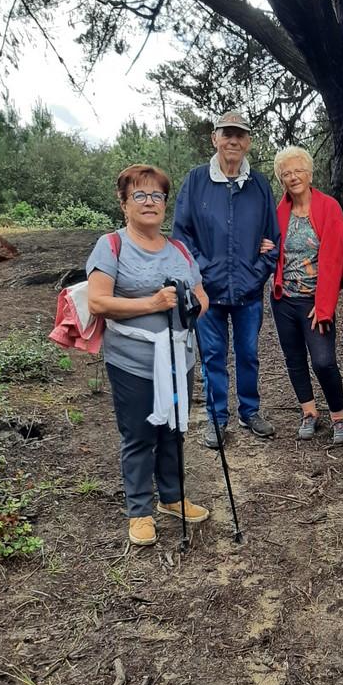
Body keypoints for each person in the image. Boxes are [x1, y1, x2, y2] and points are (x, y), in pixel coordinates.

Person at [87, 164, 210, 547]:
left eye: (157, 195)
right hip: (133, 361)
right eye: (139, 195)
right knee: (139, 434)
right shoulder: (111, 246)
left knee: (174, 430)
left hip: (178, 358)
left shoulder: (179, 249)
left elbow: (202, 296)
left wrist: (193, 306)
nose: (150, 202)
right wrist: (153, 302)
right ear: (124, 203)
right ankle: (139, 509)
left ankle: (171, 497)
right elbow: (97, 301)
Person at [172, 111, 280, 447]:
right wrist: (202, 272)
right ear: (215, 139)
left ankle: (250, 412)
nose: (233, 140)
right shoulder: (196, 180)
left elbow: (272, 239)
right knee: (213, 357)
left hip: (248, 291)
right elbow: (181, 235)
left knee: (248, 353)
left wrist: (258, 272)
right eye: (227, 134)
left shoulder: (259, 184)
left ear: (248, 142)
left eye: (240, 135)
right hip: (207, 292)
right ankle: (217, 419)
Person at [270, 146, 343, 444]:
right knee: (294, 357)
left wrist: (324, 306)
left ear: (309, 173)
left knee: (323, 360)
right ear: (281, 179)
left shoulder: (328, 206)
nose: (293, 177)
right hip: (283, 300)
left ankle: (338, 417)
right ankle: (309, 412)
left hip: (314, 299)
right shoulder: (278, 210)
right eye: (286, 173)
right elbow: (268, 244)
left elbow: (334, 259)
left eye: (298, 171)